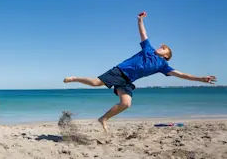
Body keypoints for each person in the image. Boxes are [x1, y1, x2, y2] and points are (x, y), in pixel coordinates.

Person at [64, 12, 217, 132]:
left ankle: (103, 119)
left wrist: (201, 79)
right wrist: (140, 20)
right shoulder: (148, 49)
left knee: (126, 103)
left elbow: (182, 75)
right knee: (96, 83)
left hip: (127, 81)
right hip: (120, 71)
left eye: (164, 48)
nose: (160, 47)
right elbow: (143, 33)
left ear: (166, 55)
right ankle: (75, 78)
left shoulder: (162, 66)